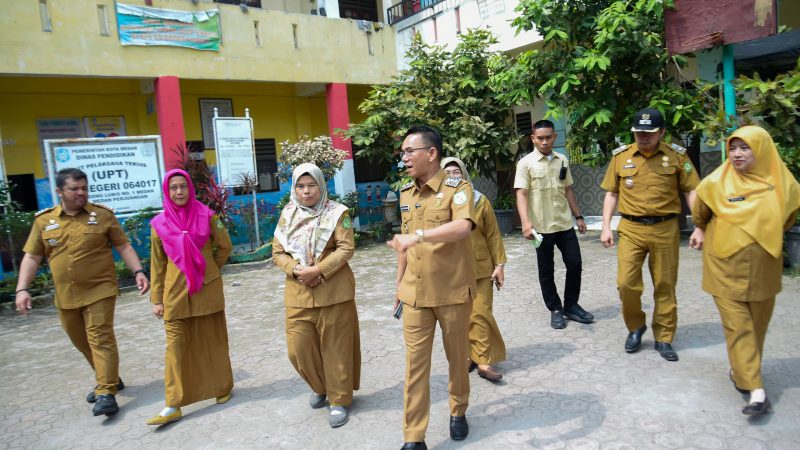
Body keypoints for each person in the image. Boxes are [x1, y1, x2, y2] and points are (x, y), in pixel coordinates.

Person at [15, 167, 149, 417]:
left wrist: (139, 271)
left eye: (85, 188)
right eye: (74, 189)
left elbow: (123, 245)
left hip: (100, 289)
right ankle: (109, 377)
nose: (81, 193)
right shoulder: (44, 221)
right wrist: (22, 289)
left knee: (100, 337)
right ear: (59, 191)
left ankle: (106, 392)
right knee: (81, 341)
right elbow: (32, 257)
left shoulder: (102, 215)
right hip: (66, 295)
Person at [689, 126, 800, 415]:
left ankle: (741, 372)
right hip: (724, 265)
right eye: (733, 148)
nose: (737, 154)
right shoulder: (714, 184)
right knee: (738, 326)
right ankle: (756, 390)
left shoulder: (785, 186)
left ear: (762, 149)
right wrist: (701, 230)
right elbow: (700, 215)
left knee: (757, 327)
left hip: (765, 268)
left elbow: (788, 220)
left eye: (745, 147)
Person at [388, 126, 476, 450]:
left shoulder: (458, 188)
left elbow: (463, 227)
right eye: (403, 152)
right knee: (415, 367)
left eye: (410, 151)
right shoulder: (405, 193)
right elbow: (404, 244)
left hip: (452, 292)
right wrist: (398, 285)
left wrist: (419, 236)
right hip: (415, 294)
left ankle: (458, 410)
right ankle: (414, 437)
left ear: (432, 153)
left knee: (457, 359)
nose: (405, 158)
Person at [600, 108, 699, 361]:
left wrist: (700, 225)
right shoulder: (621, 157)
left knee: (665, 284)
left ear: (662, 132)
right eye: (638, 132)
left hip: (665, 229)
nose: (643, 137)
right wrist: (606, 226)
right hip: (631, 228)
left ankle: (664, 337)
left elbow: (691, 190)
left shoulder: (676, 156)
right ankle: (636, 326)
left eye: (649, 133)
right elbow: (612, 193)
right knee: (626, 283)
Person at [273, 163, 361, 429]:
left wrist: (318, 270)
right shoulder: (288, 214)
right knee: (298, 349)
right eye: (300, 186)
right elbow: (278, 252)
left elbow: (346, 248)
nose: (306, 191)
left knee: (336, 349)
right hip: (298, 292)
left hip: (334, 292)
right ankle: (320, 386)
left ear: (321, 186)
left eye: (311, 185)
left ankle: (339, 399)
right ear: (294, 189)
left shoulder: (338, 213)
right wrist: (295, 269)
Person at [146, 169, 234, 425]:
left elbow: (225, 245)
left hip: (207, 290)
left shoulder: (209, 216)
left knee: (214, 342)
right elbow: (157, 264)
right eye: (173, 188)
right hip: (174, 294)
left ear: (190, 188)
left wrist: (209, 268)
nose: (179, 191)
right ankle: (172, 404)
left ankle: (222, 387)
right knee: (175, 348)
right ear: (167, 191)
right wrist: (157, 299)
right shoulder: (158, 224)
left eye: (183, 186)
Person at [514, 119, 593, 329]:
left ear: (554, 137)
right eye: (540, 138)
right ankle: (555, 309)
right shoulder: (525, 164)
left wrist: (579, 216)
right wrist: (526, 223)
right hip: (541, 228)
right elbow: (521, 194)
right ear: (533, 138)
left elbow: (568, 190)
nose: (544, 142)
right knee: (546, 270)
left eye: (548, 137)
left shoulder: (562, 160)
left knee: (575, 263)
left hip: (564, 223)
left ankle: (571, 305)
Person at [441, 157, 507, 382]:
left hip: (481, 268)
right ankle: (471, 355)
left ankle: (484, 361)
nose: (452, 176)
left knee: (481, 313)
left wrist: (500, 265)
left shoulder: (480, 200)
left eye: (456, 172)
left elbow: (493, 234)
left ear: (464, 174)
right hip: (451, 271)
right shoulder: (437, 204)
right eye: (447, 173)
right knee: (460, 318)